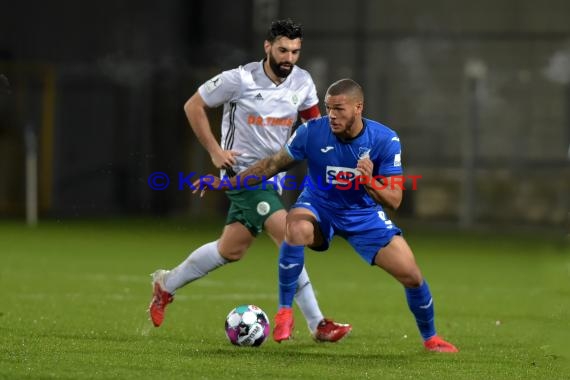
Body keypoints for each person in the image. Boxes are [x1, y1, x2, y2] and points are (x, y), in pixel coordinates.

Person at [197, 78, 459, 352]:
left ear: (359, 107)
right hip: (318, 207)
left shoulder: (385, 139)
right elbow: (270, 165)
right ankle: (285, 313)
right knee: (295, 227)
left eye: (339, 109)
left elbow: (395, 199)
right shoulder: (311, 131)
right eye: (328, 107)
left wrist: (369, 181)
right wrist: (226, 184)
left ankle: (431, 339)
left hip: (363, 217)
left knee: (412, 276)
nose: (332, 115)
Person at [148, 19, 352, 343]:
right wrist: (215, 151)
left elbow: (316, 127)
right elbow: (193, 106)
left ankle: (166, 285)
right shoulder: (239, 79)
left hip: (274, 177)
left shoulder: (302, 82)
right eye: (283, 50)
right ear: (268, 47)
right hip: (242, 174)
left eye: (295, 51)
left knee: (231, 250)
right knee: (290, 237)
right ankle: (318, 324)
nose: (289, 57)